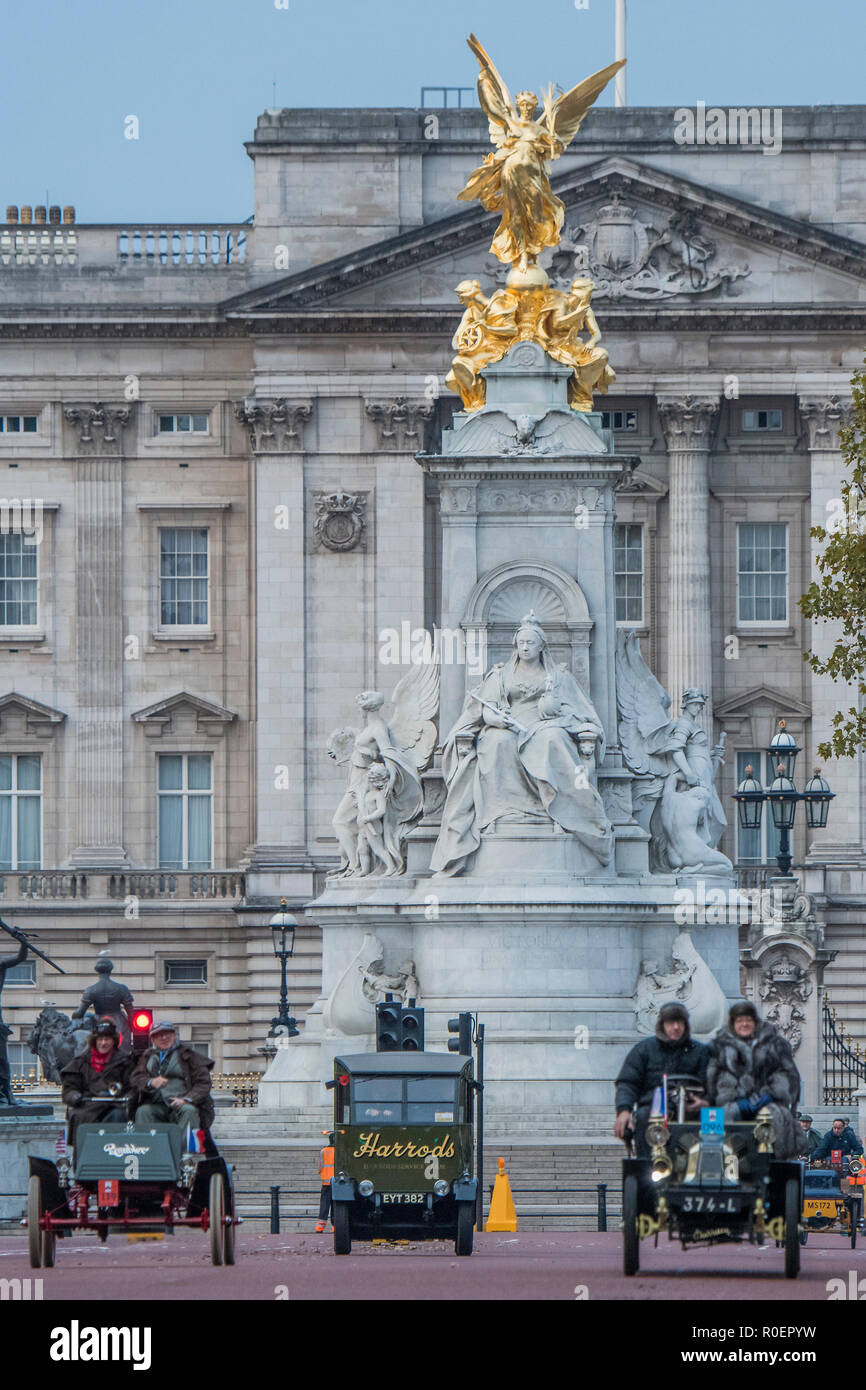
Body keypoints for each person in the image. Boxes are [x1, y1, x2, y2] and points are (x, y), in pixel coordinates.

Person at [431, 614, 611, 876]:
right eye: (521, 642)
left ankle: (561, 810)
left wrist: (556, 713)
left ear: (541, 646)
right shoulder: (501, 674)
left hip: (545, 726)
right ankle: (501, 813)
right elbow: (482, 710)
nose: (525, 647)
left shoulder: (557, 676)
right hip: (509, 726)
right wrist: (496, 720)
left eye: (531, 642)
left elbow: (577, 709)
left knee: (553, 740)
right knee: (495, 742)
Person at [706, 1001, 805, 1159]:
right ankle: (716, 1161)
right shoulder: (719, 1047)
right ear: (733, 1023)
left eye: (748, 1020)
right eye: (739, 1020)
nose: (744, 1024)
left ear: (755, 1022)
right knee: (713, 1118)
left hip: (769, 1102)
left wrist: (770, 1095)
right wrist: (733, 1099)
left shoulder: (775, 1044)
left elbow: (787, 1074)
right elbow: (712, 1079)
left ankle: (771, 1165)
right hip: (730, 1102)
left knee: (775, 1117)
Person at [614, 1002, 709, 1156]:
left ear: (686, 1025)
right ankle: (646, 1166)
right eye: (671, 1022)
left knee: (712, 1117)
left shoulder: (700, 1052)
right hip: (653, 1110)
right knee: (644, 1117)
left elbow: (713, 1083)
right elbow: (628, 1083)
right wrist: (624, 1110)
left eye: (680, 1022)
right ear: (662, 1024)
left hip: (692, 1108)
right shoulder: (643, 1050)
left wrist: (706, 1101)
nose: (676, 1027)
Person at [130, 1021, 214, 1135]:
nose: (164, 1038)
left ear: (174, 1035)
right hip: (157, 1104)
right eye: (159, 1035)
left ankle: (184, 1151)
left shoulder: (189, 1055)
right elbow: (135, 1078)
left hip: (182, 1103)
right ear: (153, 1039)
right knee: (143, 1112)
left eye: (167, 1034)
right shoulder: (146, 1057)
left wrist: (187, 1099)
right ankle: (147, 1149)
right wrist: (150, 1082)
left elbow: (203, 1083)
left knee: (189, 1111)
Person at [59, 1018, 132, 1147]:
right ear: (95, 1041)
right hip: (87, 1106)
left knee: (117, 1117)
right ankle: (82, 1160)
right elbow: (69, 1088)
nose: (103, 1043)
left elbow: (132, 1086)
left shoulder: (125, 1062)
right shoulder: (80, 1062)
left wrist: (128, 1097)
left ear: (113, 1041)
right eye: (100, 1039)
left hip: (113, 1106)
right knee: (78, 1117)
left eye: (107, 1039)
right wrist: (74, 1096)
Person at [315, 1131, 335, 1233]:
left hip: (325, 1183)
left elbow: (319, 1167)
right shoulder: (340, 1151)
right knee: (336, 1204)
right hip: (336, 1183)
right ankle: (334, 1226)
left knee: (324, 1205)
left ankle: (320, 1227)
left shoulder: (323, 1151)